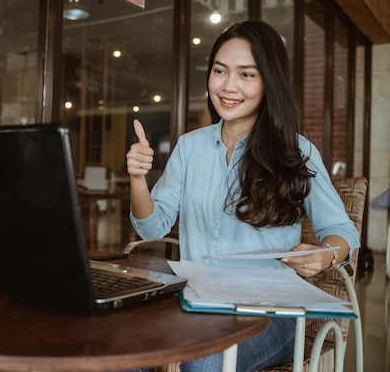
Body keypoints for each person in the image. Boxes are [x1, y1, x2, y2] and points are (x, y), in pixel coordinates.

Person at [125, 21, 360, 372]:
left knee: (203, 362)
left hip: (270, 313)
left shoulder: (297, 150)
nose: (228, 86)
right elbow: (151, 228)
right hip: (195, 304)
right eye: (220, 71)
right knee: (123, 347)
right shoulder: (190, 146)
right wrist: (138, 178)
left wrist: (325, 254)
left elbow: (343, 230)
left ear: (269, 82)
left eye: (247, 74)